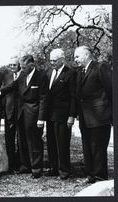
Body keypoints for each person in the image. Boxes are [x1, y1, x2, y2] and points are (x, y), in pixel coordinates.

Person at [0, 55, 48, 178]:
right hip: (21, 113)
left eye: (24, 67)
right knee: (22, 141)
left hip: (34, 113)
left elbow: (43, 98)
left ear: (32, 65)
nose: (22, 69)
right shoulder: (22, 75)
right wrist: (0, 91)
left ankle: (36, 168)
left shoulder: (41, 76)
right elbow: (13, 85)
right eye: (21, 67)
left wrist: (41, 118)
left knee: (34, 141)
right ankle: (25, 166)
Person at [74, 45, 112, 183]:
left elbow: (112, 90)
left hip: (100, 117)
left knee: (99, 150)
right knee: (87, 148)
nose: (75, 60)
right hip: (85, 118)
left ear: (86, 55)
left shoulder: (101, 67)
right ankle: (90, 176)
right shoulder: (80, 72)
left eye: (77, 57)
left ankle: (100, 178)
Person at [45, 48, 77, 179]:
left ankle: (64, 170)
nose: (52, 63)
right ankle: (53, 168)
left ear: (62, 59)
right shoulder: (48, 72)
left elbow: (73, 96)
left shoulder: (70, 73)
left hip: (63, 115)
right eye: (50, 60)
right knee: (51, 143)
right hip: (50, 115)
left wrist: (72, 116)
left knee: (62, 144)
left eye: (54, 60)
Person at [0, 57, 21, 173]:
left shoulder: (24, 75)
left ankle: (21, 163)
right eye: (10, 65)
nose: (12, 67)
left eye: (15, 65)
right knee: (9, 139)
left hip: (21, 112)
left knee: (21, 140)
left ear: (19, 65)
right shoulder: (6, 76)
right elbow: (3, 91)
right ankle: (11, 164)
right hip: (9, 112)